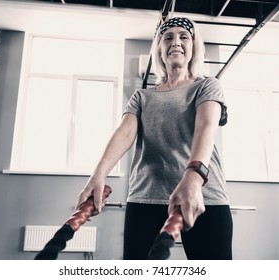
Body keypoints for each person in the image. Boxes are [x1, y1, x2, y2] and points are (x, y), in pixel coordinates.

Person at [76, 17, 233, 260]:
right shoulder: (142, 96)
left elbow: (206, 126)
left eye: (184, 36)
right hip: (146, 198)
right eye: (167, 37)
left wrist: (193, 177)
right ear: (159, 48)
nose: (176, 42)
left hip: (204, 196)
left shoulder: (207, 86)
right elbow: (124, 133)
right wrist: (97, 176)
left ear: (194, 46)